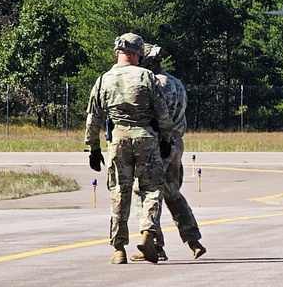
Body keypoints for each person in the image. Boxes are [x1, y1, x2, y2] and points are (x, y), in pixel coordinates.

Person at [84, 33, 173, 264]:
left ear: (118, 52)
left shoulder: (104, 79)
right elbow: (162, 112)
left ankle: (119, 249)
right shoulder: (146, 76)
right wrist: (166, 139)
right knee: (152, 189)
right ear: (136, 54)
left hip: (118, 139)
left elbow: (93, 116)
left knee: (119, 192)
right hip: (145, 137)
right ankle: (147, 232)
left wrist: (93, 148)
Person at [129, 43, 207, 261]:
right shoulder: (176, 82)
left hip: (159, 144)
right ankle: (193, 240)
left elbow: (154, 115)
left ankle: (154, 244)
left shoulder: (155, 84)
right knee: (172, 193)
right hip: (177, 144)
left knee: (145, 191)